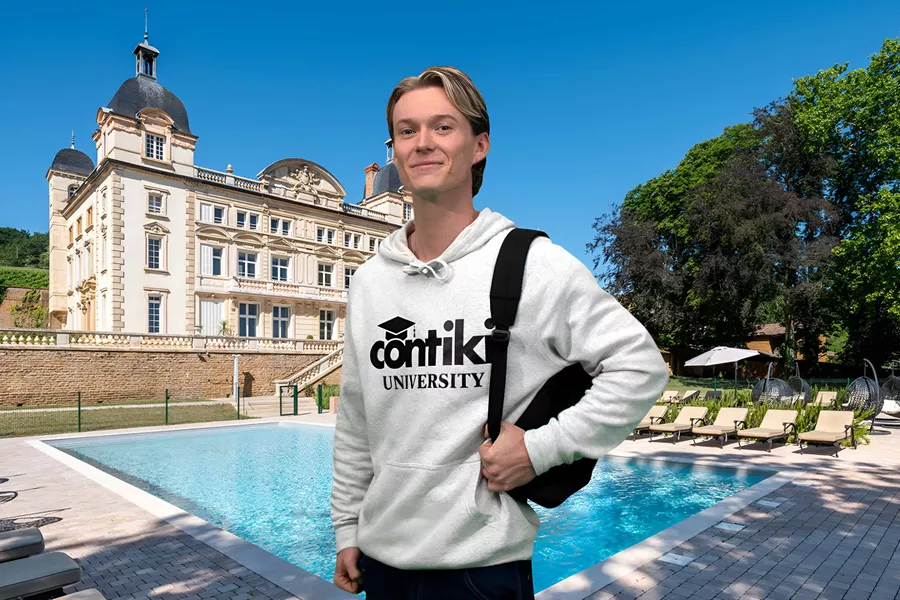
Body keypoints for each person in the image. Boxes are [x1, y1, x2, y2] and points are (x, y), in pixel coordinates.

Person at [331, 66, 669, 599]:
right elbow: (355, 421)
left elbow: (640, 367)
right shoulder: (370, 281)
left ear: (479, 145)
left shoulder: (531, 262)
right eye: (407, 130)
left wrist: (539, 450)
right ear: (393, 149)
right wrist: (347, 528)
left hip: (482, 570)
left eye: (443, 127)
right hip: (383, 566)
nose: (422, 143)